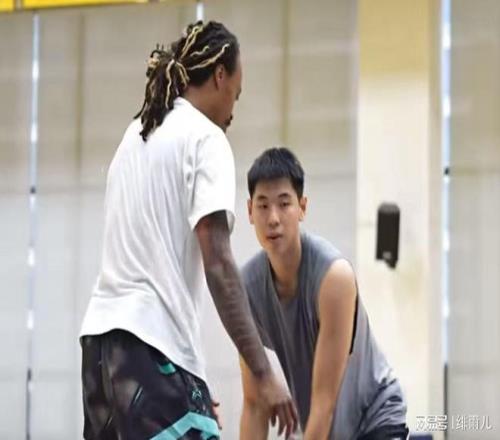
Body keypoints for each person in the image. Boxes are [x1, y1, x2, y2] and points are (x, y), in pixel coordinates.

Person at [79, 21, 297, 440]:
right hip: (151, 346)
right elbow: (218, 263)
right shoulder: (205, 138)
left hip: (101, 349)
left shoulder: (134, 136)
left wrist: (189, 382)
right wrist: (263, 372)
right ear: (220, 75)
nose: (233, 108)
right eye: (236, 93)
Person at [239, 147, 409, 440]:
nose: (273, 218)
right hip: (326, 427)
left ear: (302, 207)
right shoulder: (246, 289)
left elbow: (324, 403)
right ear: (249, 212)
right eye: (263, 205)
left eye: (284, 203)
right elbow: (254, 403)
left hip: (375, 418)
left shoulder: (334, 277)